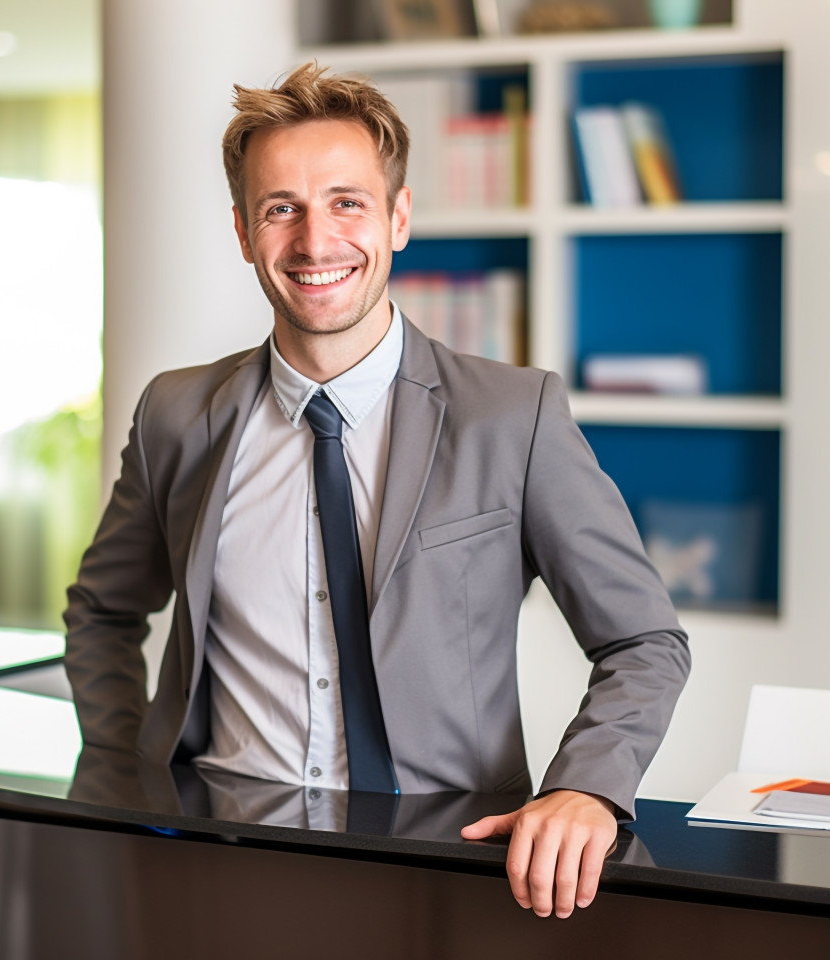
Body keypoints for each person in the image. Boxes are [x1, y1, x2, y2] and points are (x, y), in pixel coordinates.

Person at [64, 63, 690, 920]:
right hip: (214, 863)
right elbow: (102, 610)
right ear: (245, 232)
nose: (315, 242)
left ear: (399, 218)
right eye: (281, 207)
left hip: (449, 867)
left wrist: (586, 788)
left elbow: (644, 639)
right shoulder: (177, 412)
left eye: (347, 203)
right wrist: (118, 767)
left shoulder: (514, 416)